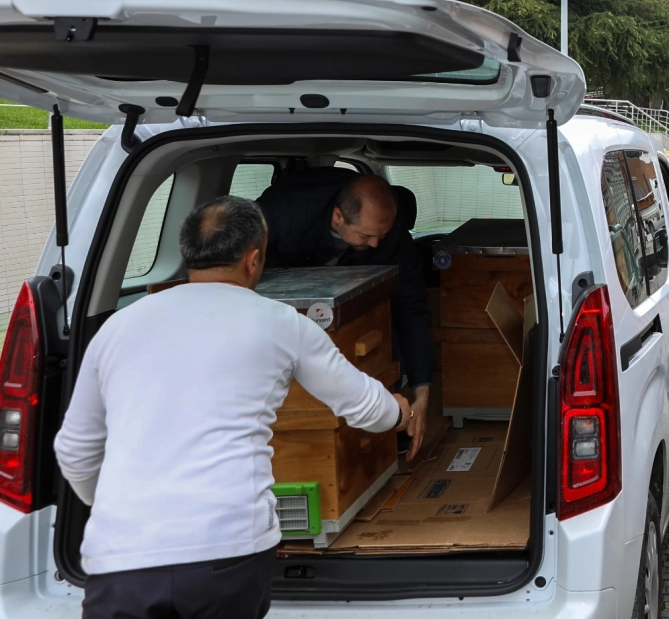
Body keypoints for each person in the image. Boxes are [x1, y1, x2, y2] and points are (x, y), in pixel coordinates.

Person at [55, 196, 416, 619]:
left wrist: (121, 511)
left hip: (120, 562)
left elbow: (74, 450)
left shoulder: (117, 327)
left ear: (188, 254)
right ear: (254, 259)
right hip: (227, 551)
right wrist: (399, 411)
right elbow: (364, 407)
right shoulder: (282, 322)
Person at [257, 169, 433, 426]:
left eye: (381, 236)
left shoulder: (394, 236)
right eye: (366, 236)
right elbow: (238, 272)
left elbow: (411, 309)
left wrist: (421, 392)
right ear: (338, 217)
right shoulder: (283, 215)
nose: (375, 244)